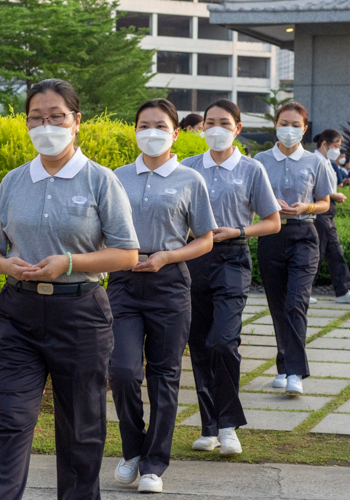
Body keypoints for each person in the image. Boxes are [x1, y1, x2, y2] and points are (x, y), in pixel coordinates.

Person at [0, 78, 139, 500]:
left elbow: (127, 254)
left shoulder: (100, 180)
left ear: (76, 121)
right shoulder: (14, 181)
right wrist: (2, 264)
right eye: (36, 117)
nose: (45, 125)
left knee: (82, 430)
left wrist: (69, 262)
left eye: (56, 117)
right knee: (11, 420)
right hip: (18, 313)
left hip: (80, 314)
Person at [108, 99, 216, 493]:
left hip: (170, 282)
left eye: (160, 126)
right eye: (143, 125)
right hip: (122, 282)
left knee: (164, 376)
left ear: (175, 133)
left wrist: (168, 256)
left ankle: (154, 464)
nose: (150, 132)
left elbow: (205, 239)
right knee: (121, 371)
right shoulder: (116, 177)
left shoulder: (190, 179)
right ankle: (132, 450)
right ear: (135, 130)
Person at [181, 99, 281, 455]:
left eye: (224, 122)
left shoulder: (252, 169)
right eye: (210, 122)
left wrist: (238, 231)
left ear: (238, 127)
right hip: (193, 261)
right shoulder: (187, 167)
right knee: (198, 344)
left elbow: (273, 221)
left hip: (232, 260)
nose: (216, 128)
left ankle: (229, 425)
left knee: (222, 341)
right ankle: (210, 427)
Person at [255, 104, 334, 395]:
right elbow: (251, 200)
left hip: (305, 235)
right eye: (283, 123)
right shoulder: (260, 160)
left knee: (295, 303)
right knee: (278, 306)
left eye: (295, 124)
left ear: (304, 128)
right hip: (271, 235)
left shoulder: (315, 162)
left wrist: (307, 206)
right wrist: (270, 206)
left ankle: (296, 372)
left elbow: (325, 202)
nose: (289, 129)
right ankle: (285, 365)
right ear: (275, 125)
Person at [310, 129, 350, 305]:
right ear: (325, 144)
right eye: (336, 146)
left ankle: (343, 290)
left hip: (328, 213)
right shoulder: (314, 161)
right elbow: (316, 189)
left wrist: (333, 196)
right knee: (315, 253)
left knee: (335, 253)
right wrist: (334, 195)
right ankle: (303, 289)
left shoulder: (326, 162)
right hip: (319, 212)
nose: (338, 151)